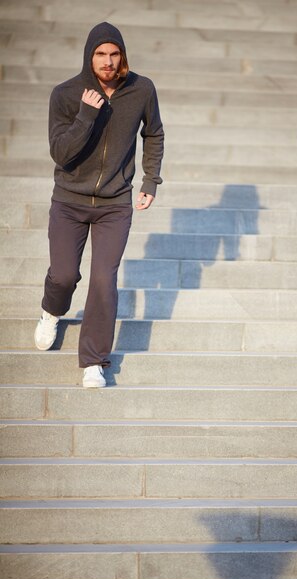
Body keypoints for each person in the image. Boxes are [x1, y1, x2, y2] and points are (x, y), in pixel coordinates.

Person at [34, 22, 164, 388]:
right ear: (89, 56)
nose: (107, 62)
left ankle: (94, 361)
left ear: (122, 55)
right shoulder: (65, 94)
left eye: (113, 54)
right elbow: (60, 153)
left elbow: (153, 133)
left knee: (104, 281)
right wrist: (86, 115)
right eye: (100, 54)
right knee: (63, 276)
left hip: (114, 204)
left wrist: (150, 181)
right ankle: (51, 311)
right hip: (69, 201)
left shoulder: (141, 90)